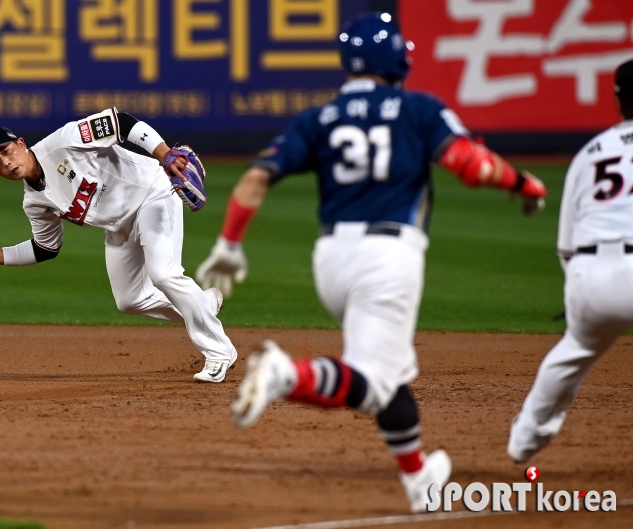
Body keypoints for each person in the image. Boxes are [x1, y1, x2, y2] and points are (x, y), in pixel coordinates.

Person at [195, 12, 547, 513]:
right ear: (395, 59)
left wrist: (230, 245)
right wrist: (522, 183)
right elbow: (471, 165)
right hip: (387, 259)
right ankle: (285, 374)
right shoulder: (417, 108)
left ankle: (420, 480)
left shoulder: (319, 117)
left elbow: (254, 180)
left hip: (331, 261)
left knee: (392, 376)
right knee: (373, 380)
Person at [0, 108, 237, 382]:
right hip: (119, 229)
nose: (6, 162)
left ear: (21, 144)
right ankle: (202, 304)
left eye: (7, 151)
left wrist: (164, 153)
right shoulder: (34, 203)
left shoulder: (64, 140)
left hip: (152, 196)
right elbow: (45, 248)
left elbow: (120, 122)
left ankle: (219, 353)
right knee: (130, 299)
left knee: (164, 273)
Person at [508, 58, 633, 463]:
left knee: (574, 348)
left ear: (617, 100)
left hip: (588, 276)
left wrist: (580, 291)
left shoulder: (589, 154)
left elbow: (566, 245)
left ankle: (524, 438)